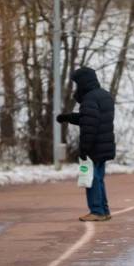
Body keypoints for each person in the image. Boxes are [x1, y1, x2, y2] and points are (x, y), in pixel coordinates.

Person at [56, 67, 115, 221]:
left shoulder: (90, 99)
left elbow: (90, 127)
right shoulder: (104, 95)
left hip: (94, 147)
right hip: (104, 145)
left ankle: (97, 211)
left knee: (91, 179)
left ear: (83, 82)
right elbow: (89, 118)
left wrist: (84, 150)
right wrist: (69, 117)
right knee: (99, 178)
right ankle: (104, 210)